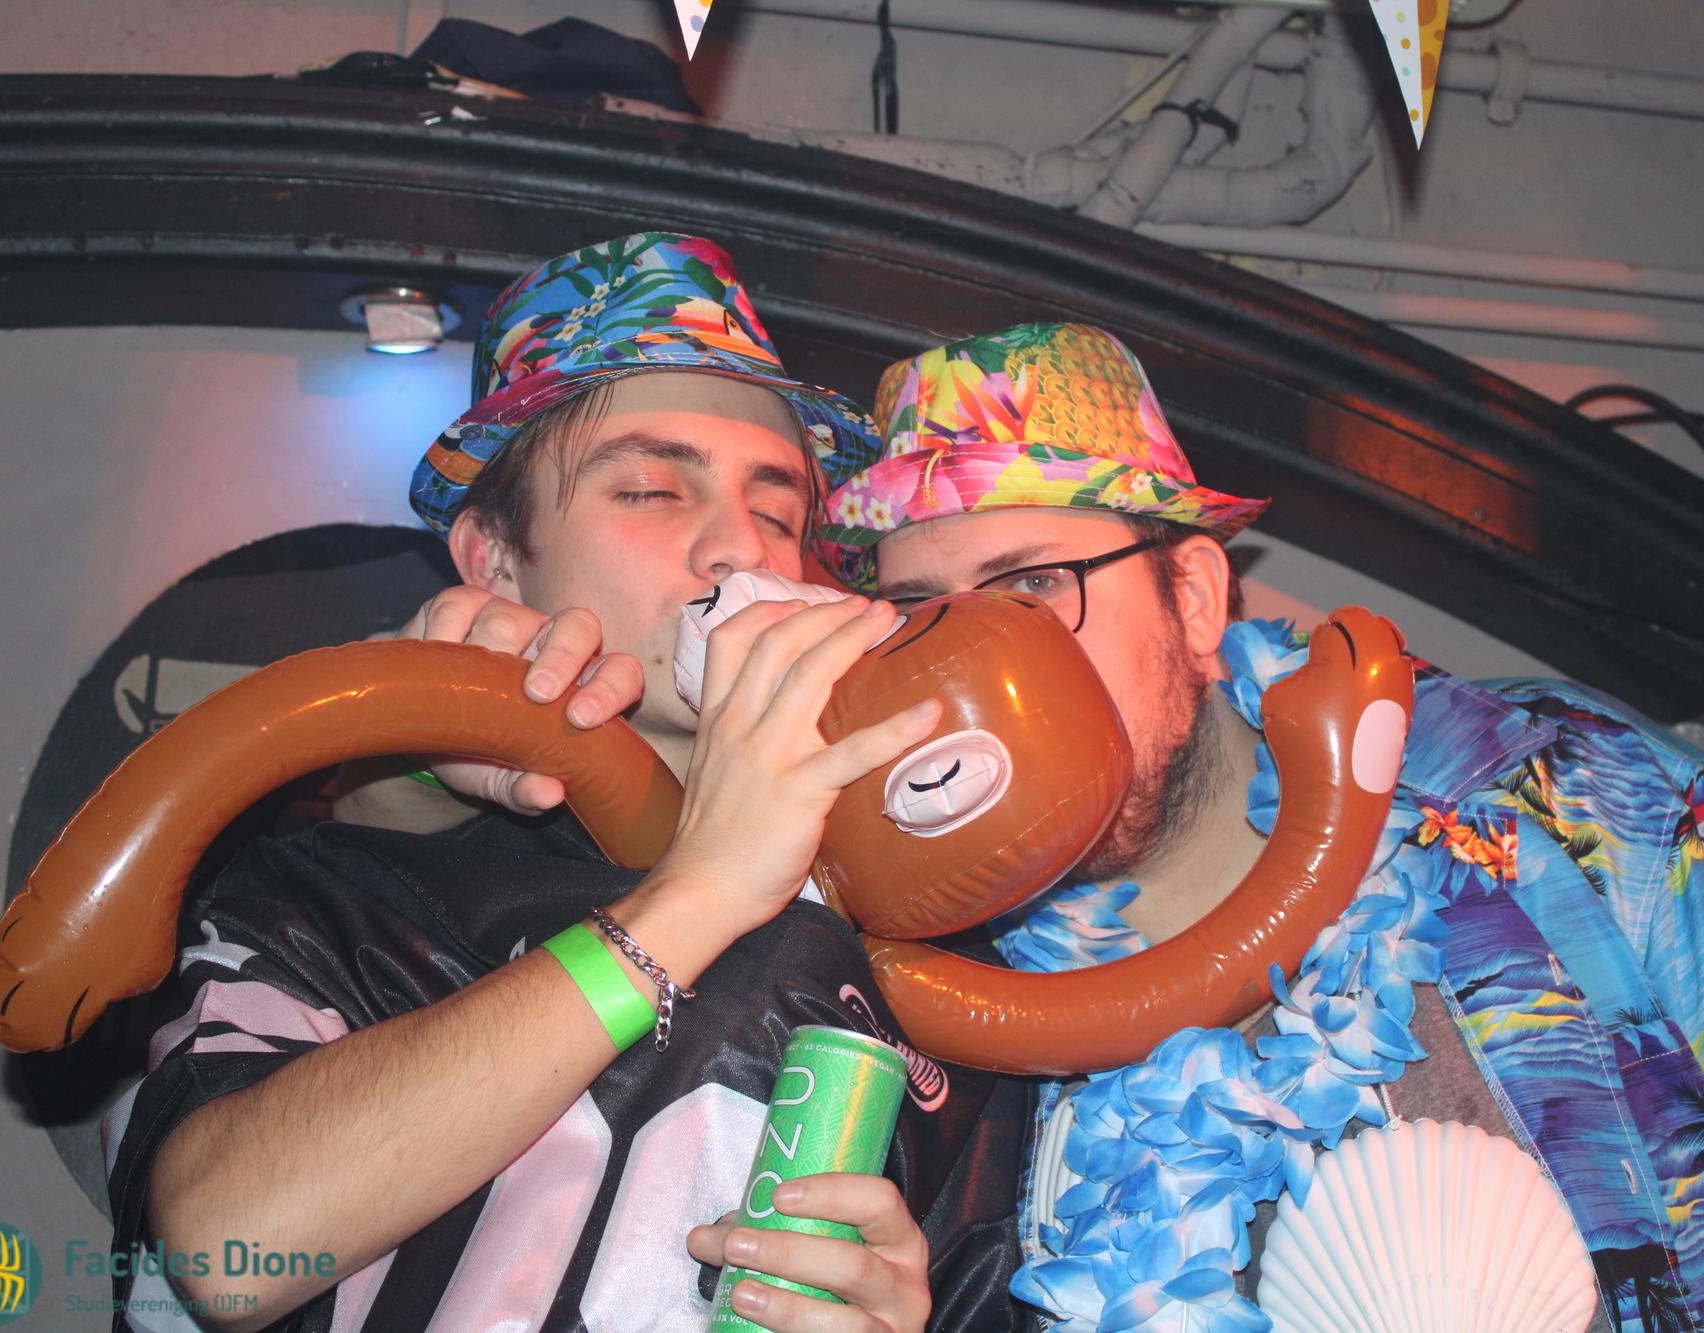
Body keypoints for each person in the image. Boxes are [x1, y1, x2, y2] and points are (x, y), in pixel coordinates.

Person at [423, 320, 1704, 1333]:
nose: (979, 667)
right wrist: (418, 752)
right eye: (920, 616)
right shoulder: (900, 973)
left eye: (1032, 589)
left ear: (1195, 597)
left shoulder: (1557, 793)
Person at [99, 233, 1030, 1333]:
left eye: (780, 513)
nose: (739, 547)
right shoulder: (345, 884)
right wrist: (697, 893)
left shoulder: (941, 959)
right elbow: (224, 1249)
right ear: (494, 559)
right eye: (649, 489)